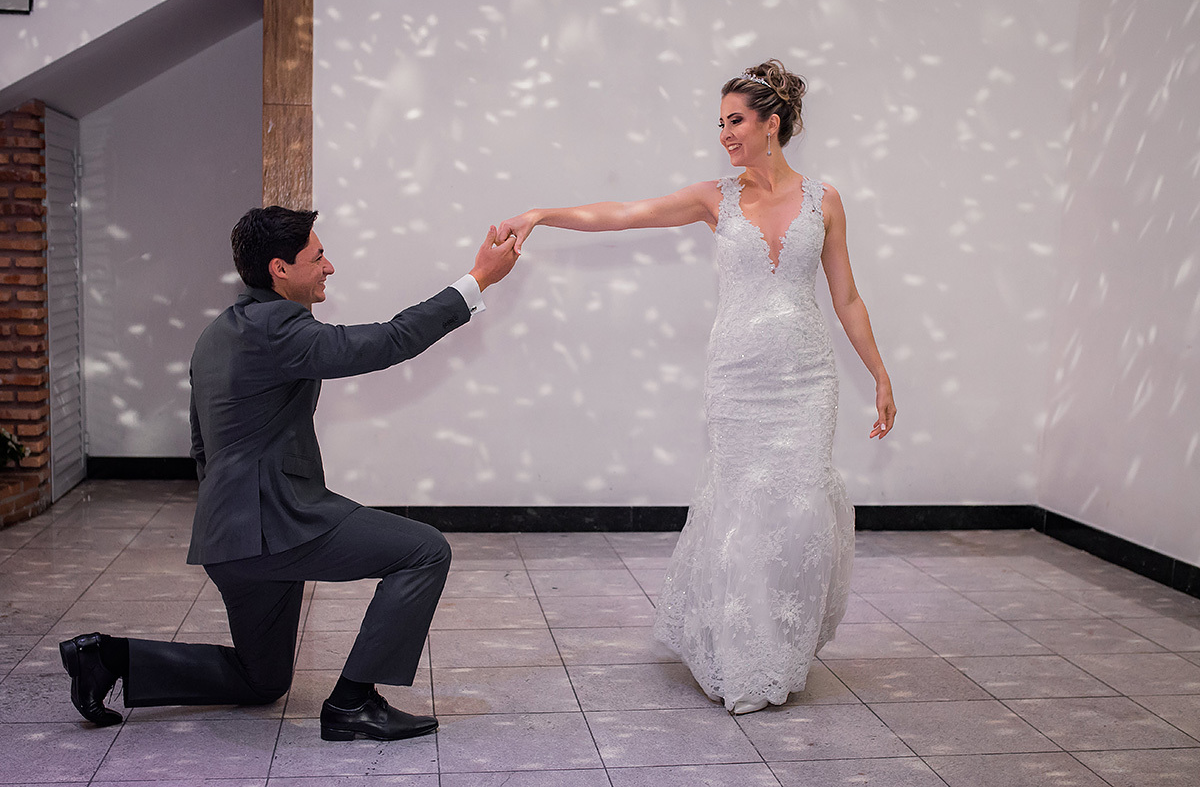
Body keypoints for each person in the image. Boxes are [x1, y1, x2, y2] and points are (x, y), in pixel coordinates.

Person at [498, 59, 895, 714]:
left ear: (772, 123)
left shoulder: (826, 201)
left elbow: (847, 297)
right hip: (739, 375)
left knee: (797, 512)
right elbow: (625, 212)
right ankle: (741, 652)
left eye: (735, 121)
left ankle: (783, 646)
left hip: (805, 376)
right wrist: (542, 213)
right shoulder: (718, 197)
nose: (724, 134)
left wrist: (879, 372)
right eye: (720, 123)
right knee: (741, 508)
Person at [59, 206, 520, 740]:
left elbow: (199, 441)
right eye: (318, 256)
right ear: (280, 269)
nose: (329, 267)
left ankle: (107, 658)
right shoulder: (278, 328)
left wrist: (232, 518)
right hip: (274, 523)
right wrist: (479, 278)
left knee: (262, 680)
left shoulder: (218, 333)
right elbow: (388, 341)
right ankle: (353, 703)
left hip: (228, 538)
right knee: (424, 550)